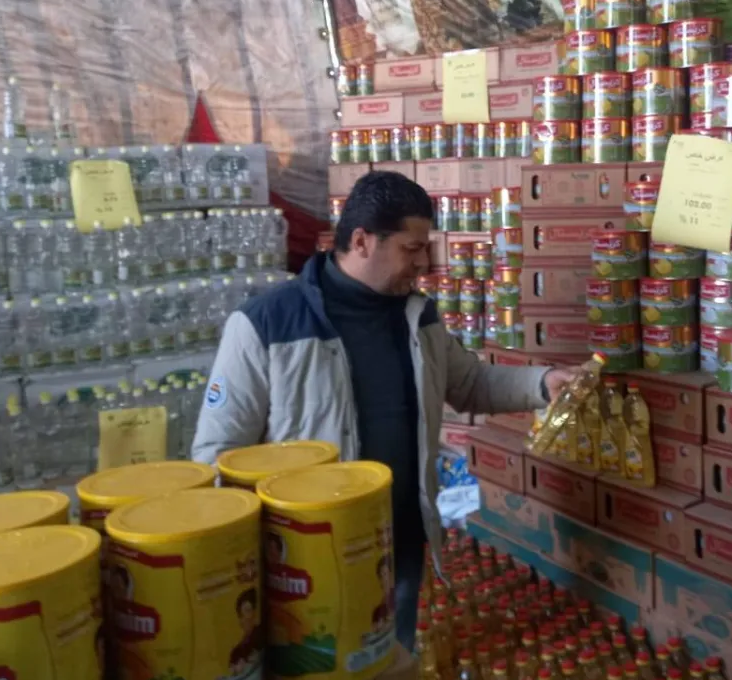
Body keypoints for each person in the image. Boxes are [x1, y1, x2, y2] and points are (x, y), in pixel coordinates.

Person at [192, 171, 573, 649]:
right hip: (309, 559)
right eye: (412, 249)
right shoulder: (265, 324)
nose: (424, 264)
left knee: (394, 661)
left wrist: (543, 383)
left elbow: (470, 384)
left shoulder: (418, 316)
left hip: (401, 539)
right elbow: (218, 453)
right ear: (362, 241)